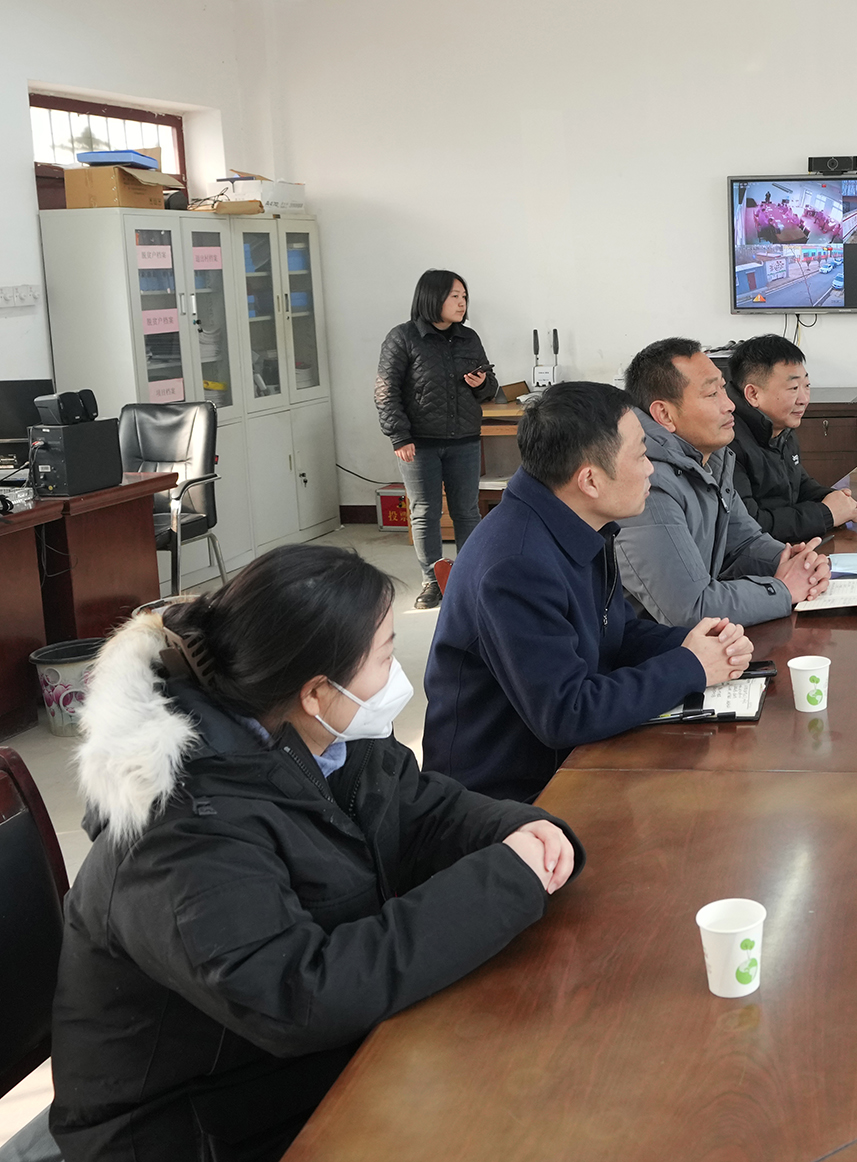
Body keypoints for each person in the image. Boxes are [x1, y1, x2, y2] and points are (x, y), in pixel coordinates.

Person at [48, 544, 583, 1162]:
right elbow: (301, 996)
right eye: (385, 657)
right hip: (192, 1130)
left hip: (285, 1079)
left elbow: (423, 812)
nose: (396, 676)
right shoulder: (185, 829)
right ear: (316, 692)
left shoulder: (321, 737)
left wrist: (526, 832)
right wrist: (506, 881)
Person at [424, 380, 753, 802]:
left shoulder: (574, 520)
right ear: (590, 481)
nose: (651, 469)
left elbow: (616, 633)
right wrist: (690, 665)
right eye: (641, 455)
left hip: (571, 761)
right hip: (506, 801)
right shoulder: (516, 565)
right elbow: (567, 712)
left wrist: (700, 643)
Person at [615, 337, 831, 626]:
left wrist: (794, 562)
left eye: (723, 389)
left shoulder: (712, 457)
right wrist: (783, 590)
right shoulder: (646, 482)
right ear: (664, 414)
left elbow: (745, 543)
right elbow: (690, 609)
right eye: (711, 394)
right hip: (647, 647)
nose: (729, 405)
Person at [373, 269, 499, 610]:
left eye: (464, 296)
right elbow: (386, 391)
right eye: (454, 296)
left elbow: (490, 387)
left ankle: (469, 578)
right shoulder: (402, 338)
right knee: (425, 512)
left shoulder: (469, 338)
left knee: (466, 511)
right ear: (432, 298)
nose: (462, 303)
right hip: (418, 443)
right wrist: (399, 436)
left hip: (465, 440)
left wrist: (482, 384)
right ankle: (432, 580)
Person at [727, 333, 857, 542]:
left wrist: (834, 498)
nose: (804, 399)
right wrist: (826, 513)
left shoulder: (780, 426)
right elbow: (750, 525)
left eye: (807, 386)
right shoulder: (727, 440)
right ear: (753, 394)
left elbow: (798, 484)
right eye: (793, 388)